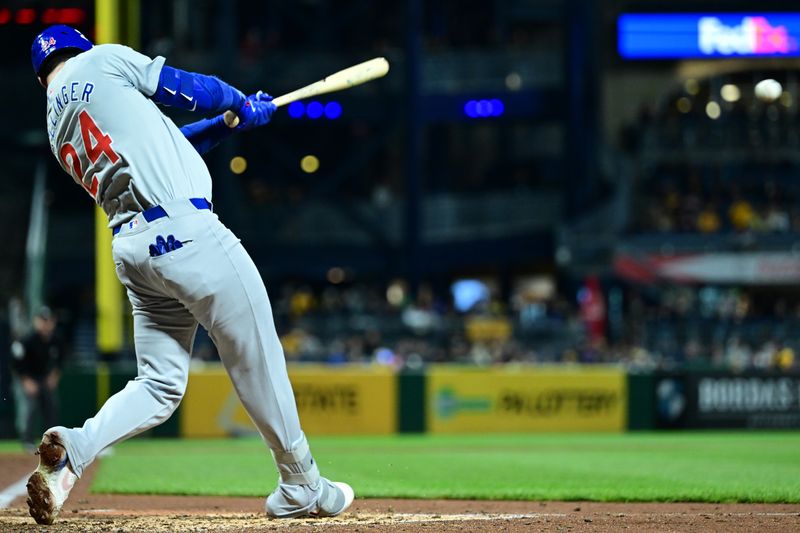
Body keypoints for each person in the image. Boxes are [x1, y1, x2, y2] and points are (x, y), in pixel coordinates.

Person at [26, 25, 353, 525]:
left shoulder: (56, 122)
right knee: (256, 352)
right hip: (186, 233)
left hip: (135, 250)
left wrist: (228, 122)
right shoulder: (102, 60)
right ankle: (302, 482)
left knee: (158, 385)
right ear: (79, 46)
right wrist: (238, 100)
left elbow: (164, 143)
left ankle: (76, 445)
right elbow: (183, 85)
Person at [10, 306, 64, 451]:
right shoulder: (27, 340)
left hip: (45, 378)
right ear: (36, 321)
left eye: (48, 321)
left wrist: (54, 376)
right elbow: (16, 362)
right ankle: (27, 440)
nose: (45, 324)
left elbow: (60, 361)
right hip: (30, 378)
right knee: (31, 408)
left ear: (53, 322)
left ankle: (51, 441)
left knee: (51, 407)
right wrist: (26, 381)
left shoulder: (56, 340)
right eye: (42, 320)